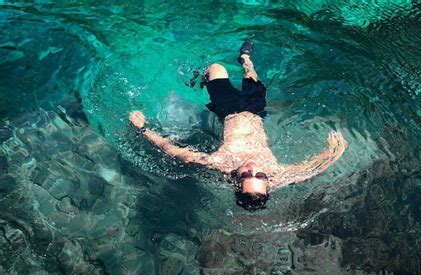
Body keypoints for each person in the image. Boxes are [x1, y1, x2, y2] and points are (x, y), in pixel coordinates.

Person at [129, 39, 347, 210]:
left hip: (228, 109)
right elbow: (307, 172)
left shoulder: (220, 163)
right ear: (267, 182)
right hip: (255, 111)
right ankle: (244, 58)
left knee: (216, 68)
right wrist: (334, 152)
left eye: (246, 175)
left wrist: (142, 128)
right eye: (260, 176)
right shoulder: (275, 174)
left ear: (235, 181)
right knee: (251, 76)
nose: (253, 169)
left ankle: (203, 77)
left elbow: (172, 150)